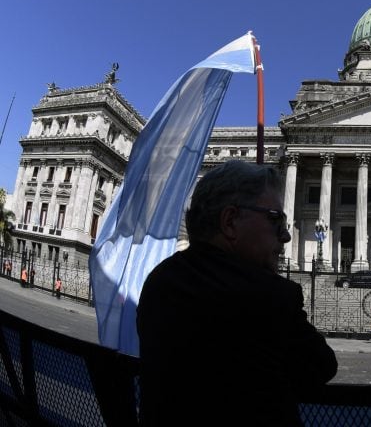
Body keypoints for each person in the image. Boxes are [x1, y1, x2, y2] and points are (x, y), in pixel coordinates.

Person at [136, 161, 337, 426]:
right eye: (276, 219)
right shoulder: (270, 297)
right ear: (230, 221)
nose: (286, 236)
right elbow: (322, 365)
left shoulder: (159, 281)